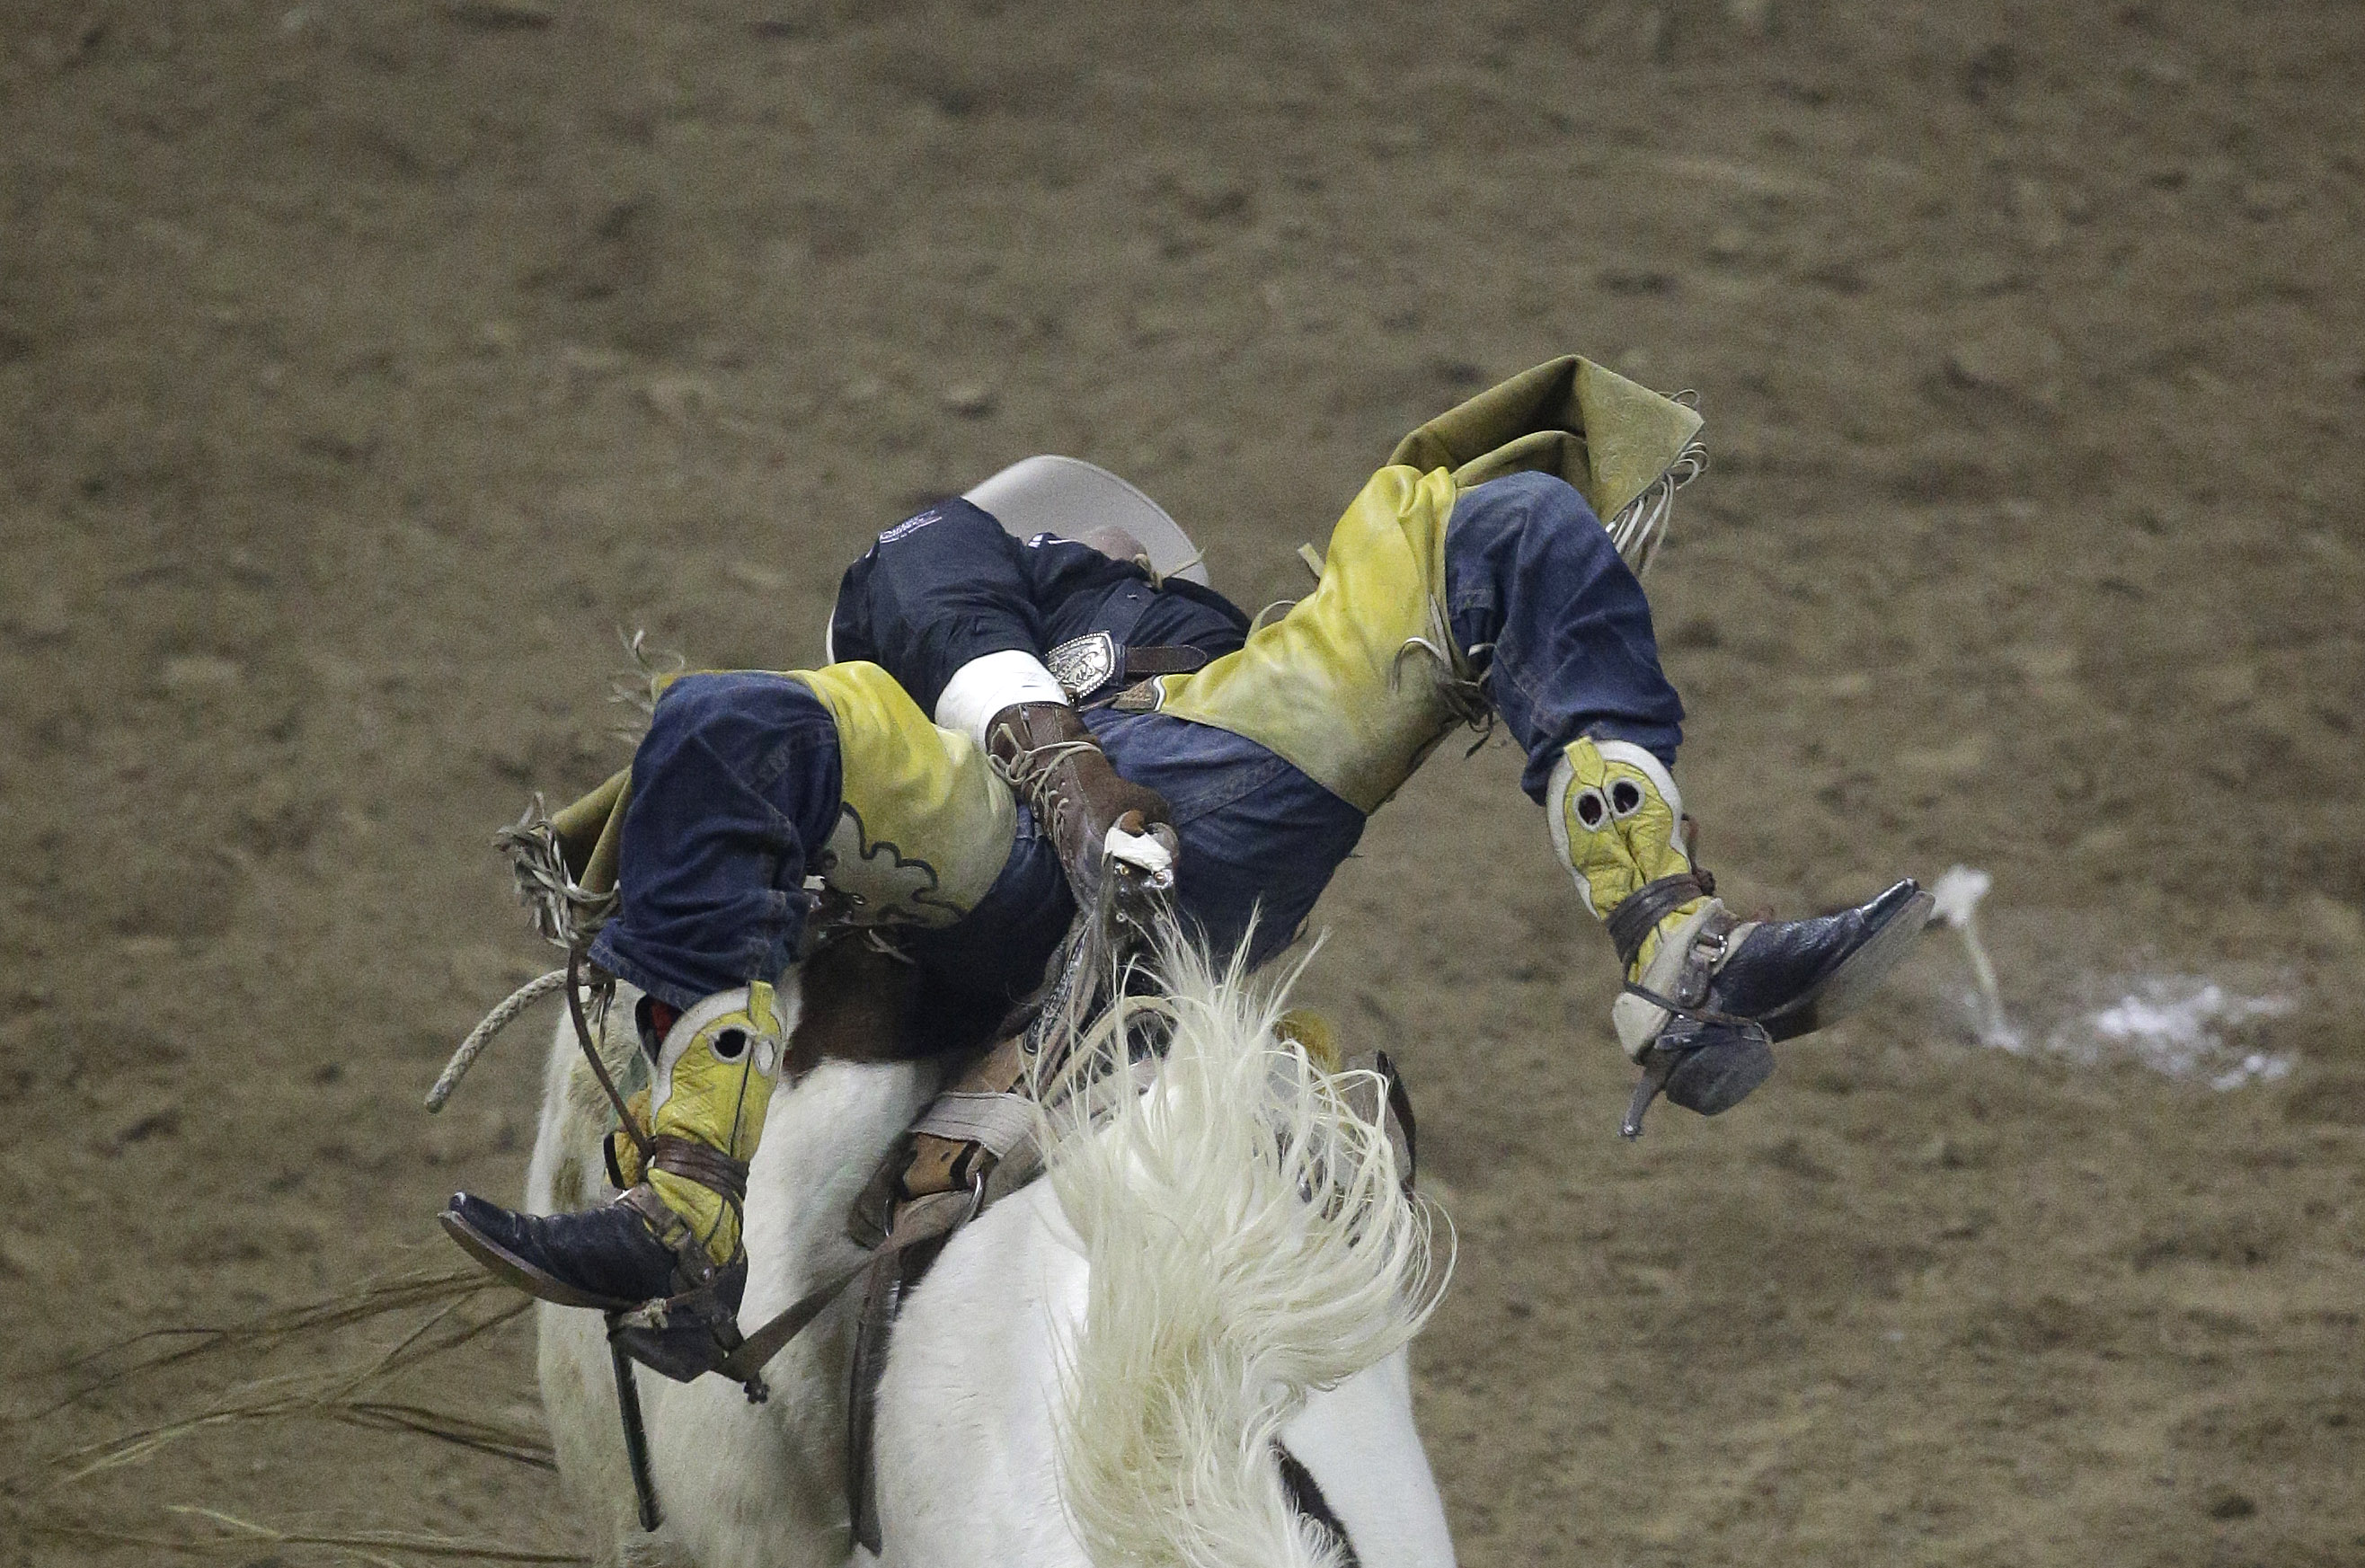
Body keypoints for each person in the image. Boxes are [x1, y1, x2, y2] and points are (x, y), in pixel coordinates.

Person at [444, 359, 1928, 1331]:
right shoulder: (949, 570)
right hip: (1036, 827)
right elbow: (930, 577)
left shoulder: (1179, 643)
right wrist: (1071, 768)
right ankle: (693, 1204)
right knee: (730, 719)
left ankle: (1678, 952)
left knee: (1506, 520)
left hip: (1137, 797)